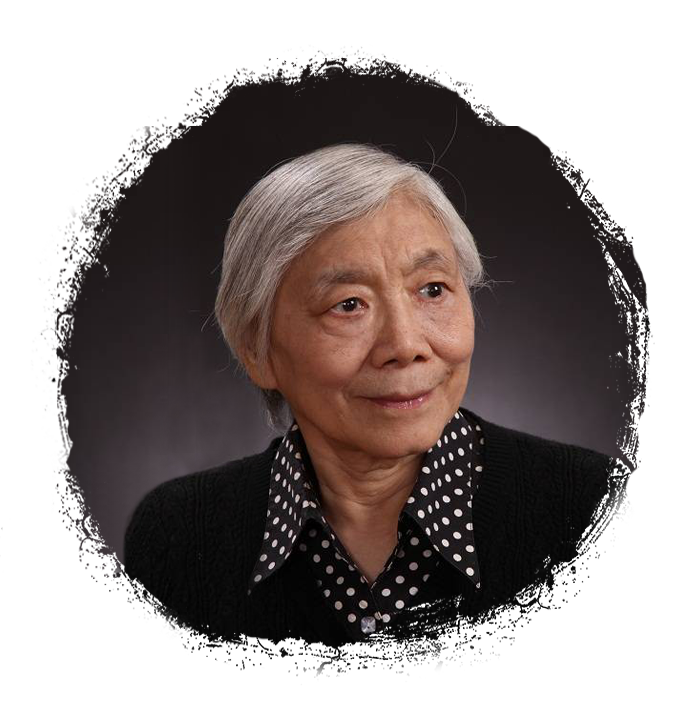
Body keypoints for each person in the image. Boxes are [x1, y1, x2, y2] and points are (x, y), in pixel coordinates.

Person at [59, 142, 645, 684]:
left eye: (433, 289)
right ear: (258, 350)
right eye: (348, 304)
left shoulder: (585, 510)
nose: (406, 344)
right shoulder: (180, 535)